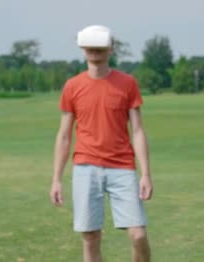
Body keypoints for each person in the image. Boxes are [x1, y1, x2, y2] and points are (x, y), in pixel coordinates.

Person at [50, 25, 153, 262]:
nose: (94, 51)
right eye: (90, 47)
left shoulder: (127, 83)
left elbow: (137, 131)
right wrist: (56, 179)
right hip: (86, 168)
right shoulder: (72, 86)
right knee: (90, 237)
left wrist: (145, 174)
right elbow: (64, 135)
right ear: (83, 49)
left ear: (111, 49)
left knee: (138, 235)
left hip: (122, 168)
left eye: (100, 47)